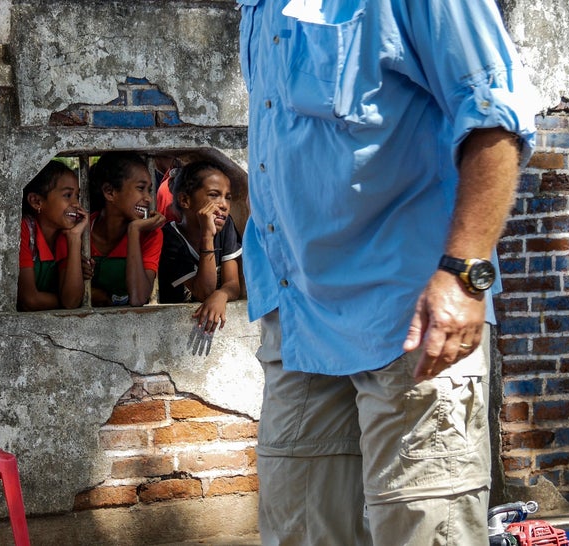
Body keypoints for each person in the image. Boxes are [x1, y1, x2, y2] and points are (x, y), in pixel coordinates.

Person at [238, 1, 538, 545]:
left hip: (411, 318)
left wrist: (464, 274)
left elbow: (495, 114)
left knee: (424, 533)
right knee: (298, 533)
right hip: (299, 317)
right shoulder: (256, 5)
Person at [158, 161, 243, 334]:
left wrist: (222, 295)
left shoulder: (226, 227)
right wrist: (207, 236)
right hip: (175, 331)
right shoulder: (169, 238)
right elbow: (204, 292)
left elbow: (233, 284)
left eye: (227, 197)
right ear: (185, 200)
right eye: (214, 195)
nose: (224, 205)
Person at [88, 151, 166, 306]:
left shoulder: (150, 234)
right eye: (140, 188)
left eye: (149, 190)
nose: (148, 198)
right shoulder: (81, 231)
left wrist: (134, 231)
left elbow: (138, 298)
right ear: (110, 192)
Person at [17, 160, 88, 311]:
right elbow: (29, 300)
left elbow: (72, 302)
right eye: (67, 195)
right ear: (36, 201)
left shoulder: (64, 234)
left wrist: (74, 239)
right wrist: (62, 299)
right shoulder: (24, 230)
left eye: (77, 196)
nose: (76, 203)